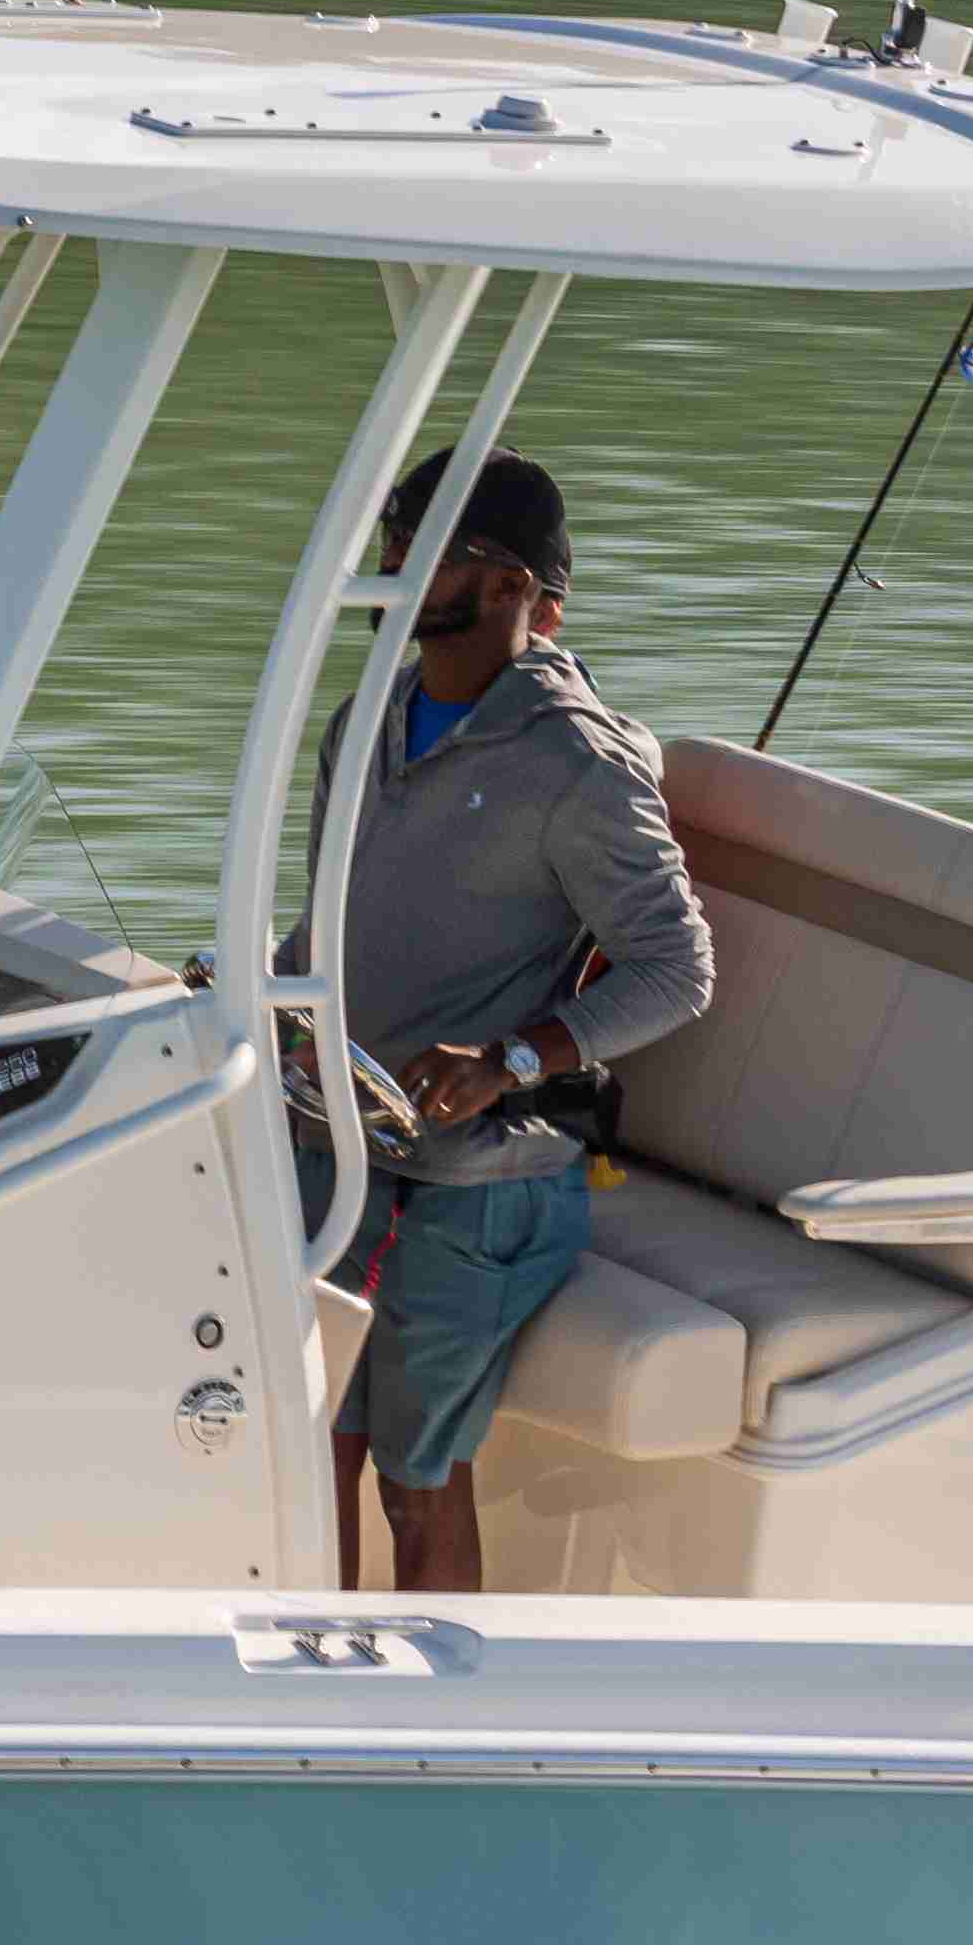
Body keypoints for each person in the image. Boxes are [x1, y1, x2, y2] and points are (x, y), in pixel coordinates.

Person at [332, 448, 718, 1595]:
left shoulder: (578, 763)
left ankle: (423, 1749)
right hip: (341, 1147)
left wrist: (512, 1059)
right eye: (394, 538)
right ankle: (305, 1707)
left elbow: (679, 968)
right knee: (302, 1440)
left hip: (478, 1189)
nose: (394, 566)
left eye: (428, 547)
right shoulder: (367, 717)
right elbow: (330, 917)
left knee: (415, 1479)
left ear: (510, 590)